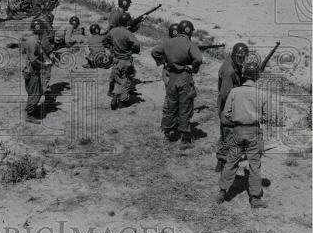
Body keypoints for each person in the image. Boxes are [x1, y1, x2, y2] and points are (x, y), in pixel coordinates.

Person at [217, 61, 268, 209]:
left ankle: (222, 191)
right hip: (254, 133)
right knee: (254, 165)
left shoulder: (234, 92)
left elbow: (226, 114)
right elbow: (267, 116)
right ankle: (255, 198)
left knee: (231, 161)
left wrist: (236, 121)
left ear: (244, 75)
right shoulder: (262, 94)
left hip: (237, 132)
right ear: (257, 76)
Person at [151, 19, 203, 148]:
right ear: (188, 31)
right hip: (184, 78)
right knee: (185, 107)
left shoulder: (167, 42)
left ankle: (167, 133)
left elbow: (154, 52)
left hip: (171, 78)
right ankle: (184, 137)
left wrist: (164, 62)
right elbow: (198, 59)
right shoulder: (190, 44)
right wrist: (193, 68)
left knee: (171, 105)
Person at [215, 43, 249, 172]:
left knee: (227, 134)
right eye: (239, 57)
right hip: (227, 106)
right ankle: (223, 162)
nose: (241, 60)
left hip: (230, 103)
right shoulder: (229, 71)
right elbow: (225, 95)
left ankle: (222, 159)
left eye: (243, 57)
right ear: (234, 55)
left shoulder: (233, 62)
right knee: (228, 133)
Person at [103, 12, 141, 110]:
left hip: (116, 59)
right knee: (126, 80)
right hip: (126, 60)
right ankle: (122, 101)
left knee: (116, 78)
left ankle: (113, 95)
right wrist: (133, 50)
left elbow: (104, 40)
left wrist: (111, 48)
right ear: (128, 22)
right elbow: (136, 44)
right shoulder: (128, 33)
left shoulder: (113, 31)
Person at [22, 19, 53, 124]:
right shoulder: (33, 41)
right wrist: (44, 65)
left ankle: (31, 110)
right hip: (32, 72)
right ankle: (29, 115)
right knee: (35, 94)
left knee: (36, 92)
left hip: (31, 70)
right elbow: (34, 60)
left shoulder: (32, 39)